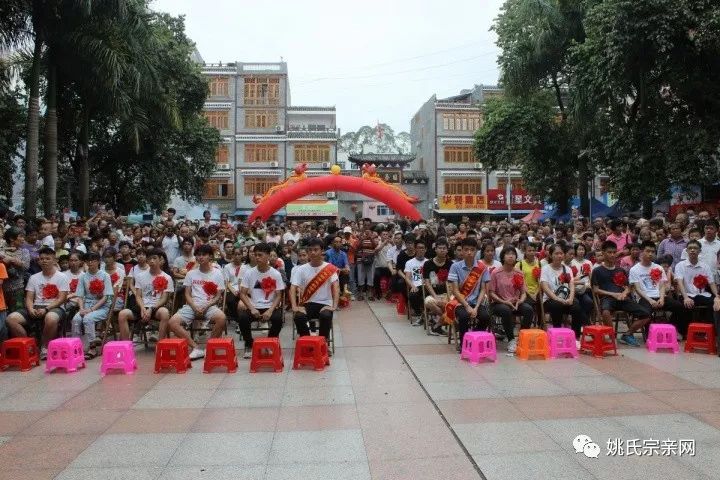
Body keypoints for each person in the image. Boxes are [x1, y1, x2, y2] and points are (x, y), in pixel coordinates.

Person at [162, 244, 227, 360]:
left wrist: (207, 305)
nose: (200, 257)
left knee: (221, 318)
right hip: (192, 305)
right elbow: (187, 294)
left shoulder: (217, 273)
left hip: (209, 305)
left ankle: (209, 348)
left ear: (210, 257)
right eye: (198, 255)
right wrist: (194, 306)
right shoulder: (191, 274)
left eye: (204, 255)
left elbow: (218, 296)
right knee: (172, 322)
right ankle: (196, 348)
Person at [6, 247, 69, 359]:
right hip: (35, 307)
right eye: (41, 258)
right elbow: (29, 298)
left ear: (55, 260)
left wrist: (46, 309)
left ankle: (45, 347)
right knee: (11, 319)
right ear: (38, 261)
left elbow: (62, 299)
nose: (44, 261)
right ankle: (30, 346)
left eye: (47, 258)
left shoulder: (62, 277)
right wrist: (30, 309)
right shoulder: (34, 277)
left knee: (51, 318)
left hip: (55, 307)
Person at [591, 240, 651, 346]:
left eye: (614, 252)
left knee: (646, 314)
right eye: (609, 252)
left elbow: (629, 287)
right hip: (607, 299)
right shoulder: (597, 270)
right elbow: (595, 290)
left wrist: (624, 293)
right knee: (605, 312)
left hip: (622, 299)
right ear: (603, 253)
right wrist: (612, 294)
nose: (612, 255)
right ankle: (611, 336)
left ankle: (627, 334)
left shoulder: (621, 270)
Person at [238, 242, 285, 358]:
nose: (257, 257)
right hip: (254, 306)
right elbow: (242, 293)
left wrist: (270, 310)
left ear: (268, 256)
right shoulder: (249, 273)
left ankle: (269, 343)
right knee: (242, 317)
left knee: (278, 319)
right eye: (255, 255)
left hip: (270, 306)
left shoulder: (275, 274)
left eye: (260, 255)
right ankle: (249, 344)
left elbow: (279, 295)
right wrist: (252, 308)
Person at [290, 238, 339, 350]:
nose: (312, 252)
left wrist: (334, 306)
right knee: (298, 316)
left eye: (316, 250)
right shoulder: (301, 269)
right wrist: (294, 306)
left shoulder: (329, 268)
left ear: (322, 251)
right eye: (310, 250)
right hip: (308, 303)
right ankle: (308, 344)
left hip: (325, 303)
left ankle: (323, 345)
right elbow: (293, 287)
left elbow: (336, 287)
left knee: (326, 316)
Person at [629, 241, 685, 337]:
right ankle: (649, 334)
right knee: (646, 313)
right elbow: (638, 289)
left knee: (680, 307)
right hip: (644, 298)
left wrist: (662, 299)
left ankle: (670, 328)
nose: (650, 254)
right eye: (647, 251)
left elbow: (662, 285)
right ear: (642, 252)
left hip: (659, 296)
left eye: (652, 251)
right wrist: (650, 300)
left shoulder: (658, 267)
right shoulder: (634, 269)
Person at [117, 249, 174, 341]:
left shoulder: (167, 277)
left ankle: (160, 345)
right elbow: (138, 296)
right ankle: (126, 346)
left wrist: (151, 309)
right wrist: (143, 308)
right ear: (147, 260)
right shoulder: (140, 276)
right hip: (141, 307)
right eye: (149, 259)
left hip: (157, 308)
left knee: (165, 313)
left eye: (154, 258)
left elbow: (163, 299)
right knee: (122, 314)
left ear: (160, 260)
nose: (151, 261)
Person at [447, 238, 491, 351]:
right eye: (466, 250)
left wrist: (476, 307)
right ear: (461, 250)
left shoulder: (482, 268)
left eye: (472, 250)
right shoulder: (455, 266)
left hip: (476, 302)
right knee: (464, 316)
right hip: (460, 302)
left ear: (476, 251)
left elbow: (483, 290)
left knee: (485, 316)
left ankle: (474, 339)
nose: (469, 253)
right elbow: (455, 290)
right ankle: (464, 344)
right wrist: (466, 306)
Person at [489, 246, 535, 353]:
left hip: (515, 302)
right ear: (503, 257)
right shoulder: (496, 273)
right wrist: (504, 301)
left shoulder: (519, 273)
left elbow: (523, 293)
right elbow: (491, 293)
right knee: (505, 310)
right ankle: (511, 340)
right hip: (499, 303)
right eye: (508, 254)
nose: (511, 256)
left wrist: (521, 301)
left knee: (528, 309)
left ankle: (522, 338)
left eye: (513, 254)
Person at [71, 252, 113, 359]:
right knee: (76, 319)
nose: (90, 263)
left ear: (98, 262)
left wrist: (91, 309)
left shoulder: (105, 276)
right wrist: (81, 309)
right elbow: (80, 295)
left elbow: (106, 297)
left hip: (102, 306)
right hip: (86, 305)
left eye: (93, 260)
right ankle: (76, 347)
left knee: (88, 319)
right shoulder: (83, 276)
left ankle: (92, 347)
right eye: (88, 261)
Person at [540, 244, 586, 342]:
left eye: (561, 253)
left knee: (576, 306)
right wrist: (557, 298)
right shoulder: (546, 269)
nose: (559, 256)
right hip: (550, 300)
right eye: (556, 253)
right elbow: (545, 287)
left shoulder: (567, 268)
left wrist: (571, 298)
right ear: (551, 255)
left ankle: (576, 338)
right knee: (557, 305)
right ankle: (558, 335)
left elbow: (572, 285)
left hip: (565, 298)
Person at [674, 239, 720, 332]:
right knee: (685, 305)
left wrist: (717, 297)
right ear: (686, 251)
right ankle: (683, 331)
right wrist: (686, 297)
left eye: (695, 248)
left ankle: (711, 331)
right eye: (690, 248)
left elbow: (711, 283)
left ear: (699, 251)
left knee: (715, 304)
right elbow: (680, 282)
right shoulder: (680, 265)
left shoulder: (705, 266)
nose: (692, 250)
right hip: (686, 294)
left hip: (701, 295)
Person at [423, 238, 452, 335]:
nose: (442, 250)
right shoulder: (427, 264)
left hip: (447, 294)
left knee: (453, 304)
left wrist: (448, 296)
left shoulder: (451, 264)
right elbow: (427, 283)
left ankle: (437, 324)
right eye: (440, 248)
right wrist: (435, 296)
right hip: (433, 295)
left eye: (444, 248)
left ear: (447, 250)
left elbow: (452, 283)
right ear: (435, 249)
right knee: (428, 302)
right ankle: (449, 319)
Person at [403, 240, 428, 326]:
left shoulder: (428, 262)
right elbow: (407, 277)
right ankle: (420, 314)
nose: (421, 250)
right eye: (419, 248)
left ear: (425, 250)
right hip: (416, 286)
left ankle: (427, 315)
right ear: (415, 249)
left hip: (427, 286)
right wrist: (412, 285)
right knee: (412, 295)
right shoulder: (409, 262)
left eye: (422, 248)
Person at [356, 228, 377, 301]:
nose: (367, 230)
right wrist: (362, 239)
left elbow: (375, 246)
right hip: (361, 261)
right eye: (365, 226)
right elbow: (357, 247)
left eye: (368, 226)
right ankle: (360, 294)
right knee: (360, 278)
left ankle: (370, 294)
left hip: (370, 261)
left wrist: (371, 238)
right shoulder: (360, 237)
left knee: (370, 277)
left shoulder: (374, 237)